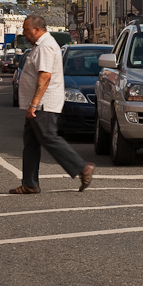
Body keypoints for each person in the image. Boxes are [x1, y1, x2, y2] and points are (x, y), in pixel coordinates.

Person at [10, 14, 95, 195]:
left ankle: (82, 168)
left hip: (43, 104)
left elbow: (45, 76)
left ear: (37, 29)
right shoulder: (39, 46)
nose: (24, 33)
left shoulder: (46, 46)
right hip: (38, 104)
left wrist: (34, 104)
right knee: (31, 142)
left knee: (49, 137)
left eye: (26, 29)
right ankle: (30, 183)